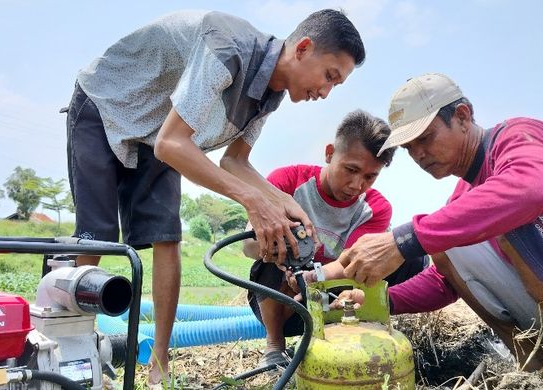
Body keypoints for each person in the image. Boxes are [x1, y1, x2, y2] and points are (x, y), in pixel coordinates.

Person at [65, 9, 365, 386]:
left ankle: (159, 366)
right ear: (303, 48)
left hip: (160, 130)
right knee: (99, 234)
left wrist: (281, 201)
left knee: (167, 236)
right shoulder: (228, 48)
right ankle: (73, 350)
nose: (325, 92)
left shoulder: (269, 95)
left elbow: (235, 161)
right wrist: (253, 203)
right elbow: (173, 143)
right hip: (107, 104)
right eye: (329, 77)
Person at [336, 73, 543, 389]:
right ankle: (534, 364)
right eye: (408, 147)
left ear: (462, 116)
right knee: (444, 244)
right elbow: (447, 281)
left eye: (426, 137)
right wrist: (381, 302)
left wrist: (403, 241)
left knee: (506, 212)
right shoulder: (465, 192)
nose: (418, 154)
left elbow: (532, 193)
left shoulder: (519, 136)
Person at [242, 109, 429, 368]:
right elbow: (247, 246)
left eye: (369, 177)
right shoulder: (287, 181)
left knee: (409, 254)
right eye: (350, 169)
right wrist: (277, 246)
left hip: (337, 295)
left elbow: (354, 263)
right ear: (330, 153)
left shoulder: (375, 208)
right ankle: (274, 347)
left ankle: (364, 329)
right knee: (269, 258)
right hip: (284, 303)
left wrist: (311, 279)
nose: (356, 185)